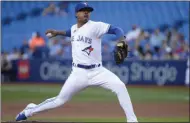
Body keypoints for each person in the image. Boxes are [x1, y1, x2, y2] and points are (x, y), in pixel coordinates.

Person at [16, 2, 138, 122]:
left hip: (98, 71)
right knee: (59, 100)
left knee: (120, 86)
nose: (86, 13)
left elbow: (117, 29)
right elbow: (71, 32)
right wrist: (58, 32)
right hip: (79, 73)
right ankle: (29, 111)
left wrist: (122, 40)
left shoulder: (95, 26)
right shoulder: (74, 28)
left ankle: (132, 121)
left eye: (88, 11)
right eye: (83, 10)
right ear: (76, 14)